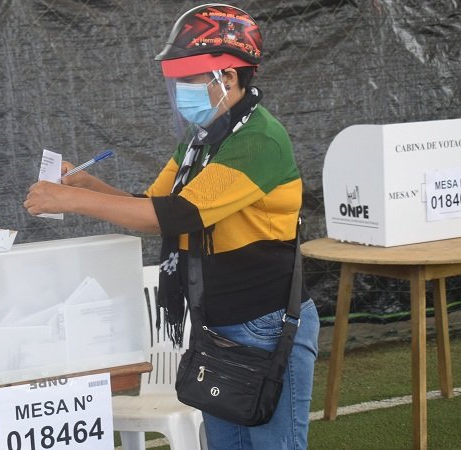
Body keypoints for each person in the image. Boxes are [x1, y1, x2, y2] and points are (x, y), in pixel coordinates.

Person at [25, 3, 319, 449]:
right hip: (218, 322)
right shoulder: (202, 138)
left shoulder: (257, 139)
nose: (182, 89)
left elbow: (177, 216)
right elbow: (155, 207)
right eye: (178, 79)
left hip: (267, 321)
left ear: (230, 77)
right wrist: (90, 185)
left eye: (192, 78)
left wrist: (72, 198)